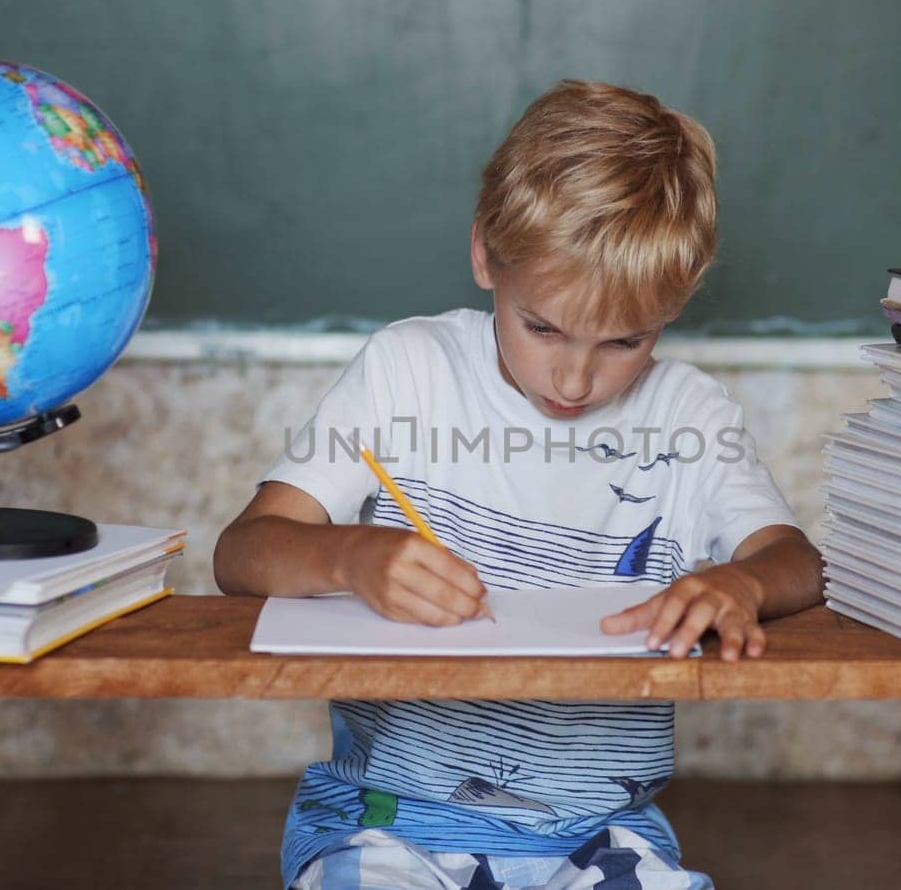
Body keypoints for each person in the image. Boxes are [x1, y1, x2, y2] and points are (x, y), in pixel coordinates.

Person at [214, 79, 824, 890]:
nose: (573, 379)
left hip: (600, 837)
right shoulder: (409, 370)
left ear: (674, 306)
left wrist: (740, 582)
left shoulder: (689, 413)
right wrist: (351, 556)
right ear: (483, 256)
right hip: (387, 825)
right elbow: (242, 552)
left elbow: (798, 562)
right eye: (542, 328)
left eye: (624, 341)